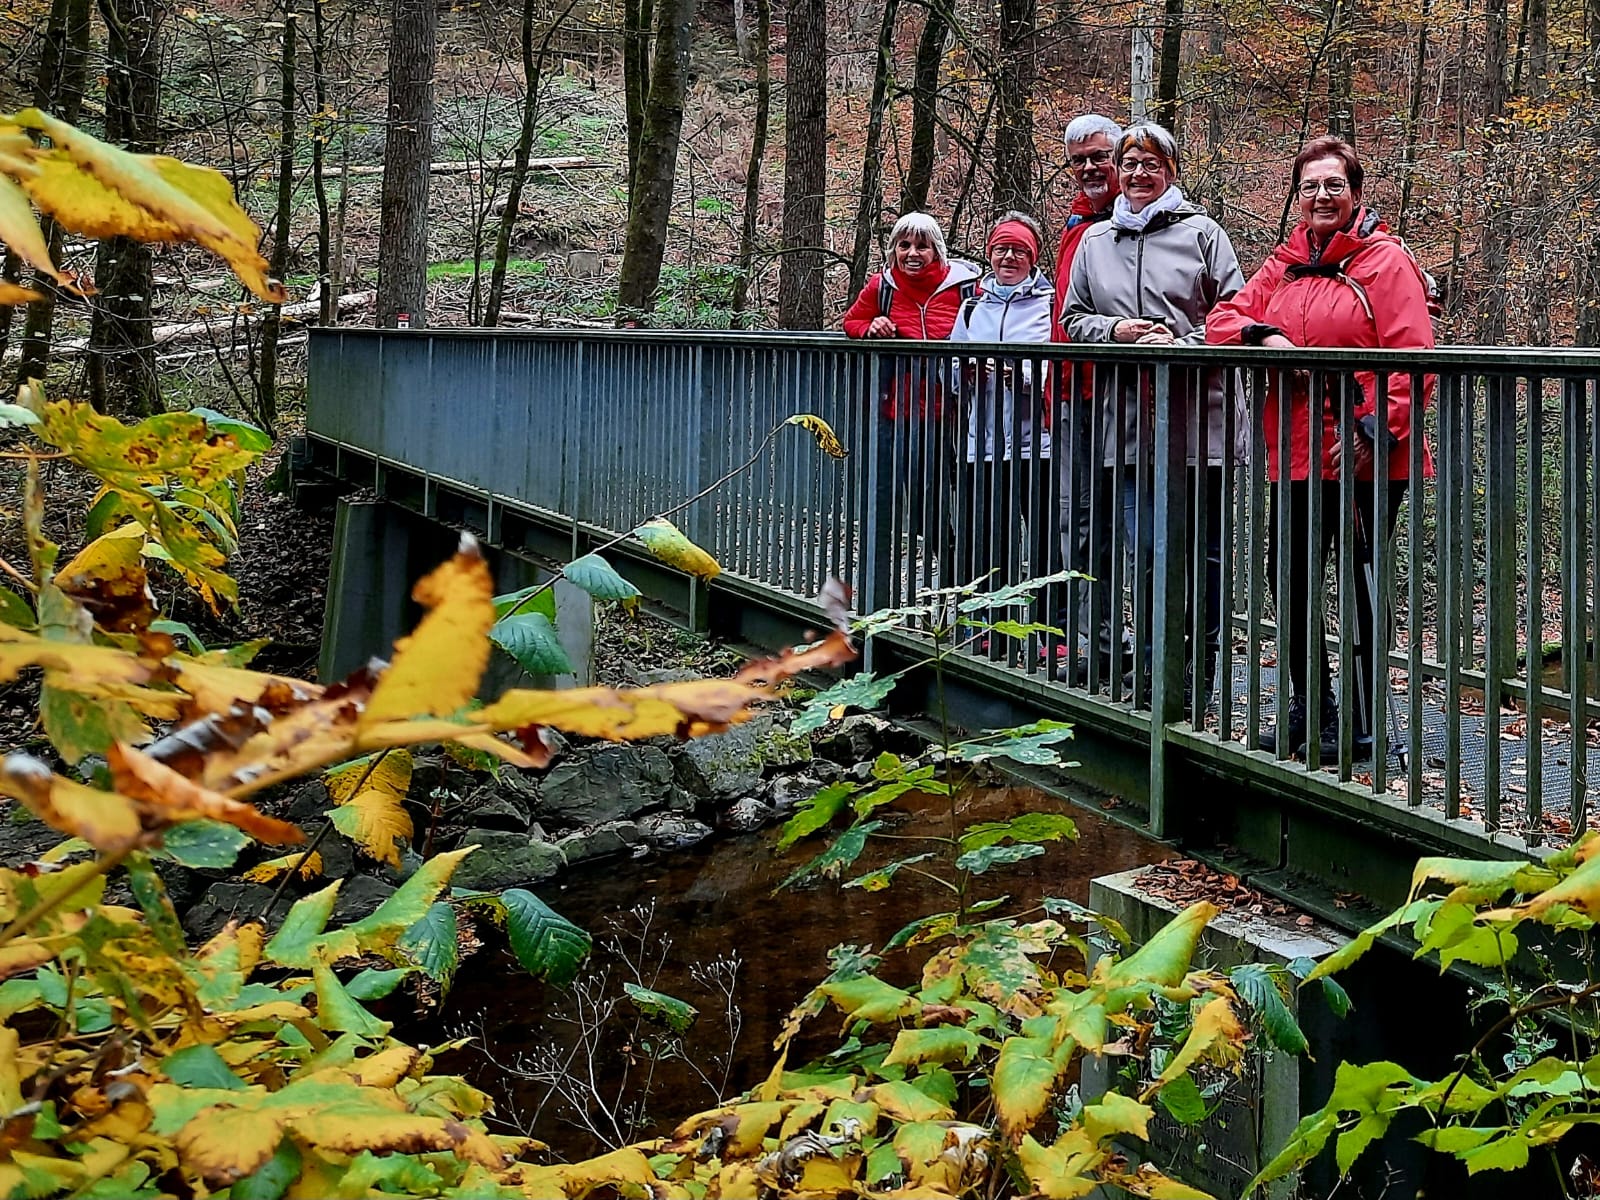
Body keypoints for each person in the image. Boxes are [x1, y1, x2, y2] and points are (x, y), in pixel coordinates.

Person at [1206, 135, 1435, 761]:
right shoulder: (1284, 263)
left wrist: (1374, 434)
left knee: (1359, 584)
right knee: (1293, 577)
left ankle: (1362, 724)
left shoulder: (1386, 263)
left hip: (1363, 457)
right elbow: (1221, 320)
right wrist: (1265, 335)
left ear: (1355, 192)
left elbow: (1414, 358)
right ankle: (1312, 708)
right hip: (1295, 453)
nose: (1322, 196)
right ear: (1298, 198)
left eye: (1334, 184)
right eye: (1310, 186)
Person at [1063, 122, 1246, 705]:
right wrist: (1117, 331)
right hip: (1131, 425)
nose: (1140, 172)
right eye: (1131, 161)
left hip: (1201, 422)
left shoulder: (1204, 234)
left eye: (1152, 162)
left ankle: (1199, 680)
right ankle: (1150, 673)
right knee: (1143, 550)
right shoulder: (1096, 243)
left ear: (1171, 168)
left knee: (1204, 555)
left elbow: (1235, 315)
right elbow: (1072, 320)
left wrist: (1182, 344)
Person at [842, 213, 981, 597]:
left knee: (971, 494)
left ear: (937, 250)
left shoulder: (966, 287)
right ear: (893, 251)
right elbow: (851, 323)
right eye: (904, 245)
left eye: (921, 245)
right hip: (904, 414)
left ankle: (980, 576)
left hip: (962, 412)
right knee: (922, 504)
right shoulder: (882, 286)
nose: (912, 253)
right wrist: (873, 327)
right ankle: (956, 571)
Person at [948, 212, 1053, 613]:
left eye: (1019, 250)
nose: (1009, 257)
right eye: (1001, 249)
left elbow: (1058, 367)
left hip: (1036, 444)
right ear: (989, 253)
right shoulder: (973, 308)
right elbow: (951, 367)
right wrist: (966, 371)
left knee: (1045, 540)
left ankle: (1049, 629)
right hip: (984, 442)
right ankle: (993, 626)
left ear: (1033, 256)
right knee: (988, 539)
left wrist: (1021, 376)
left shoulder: (1049, 304)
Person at [1052, 113, 1125, 682]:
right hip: (1075, 392)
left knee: (1139, 525)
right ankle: (1099, 644)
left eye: (1100, 155)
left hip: (1126, 395)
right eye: (1079, 159)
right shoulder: (1075, 225)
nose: (1091, 168)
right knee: (1080, 523)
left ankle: (1150, 652)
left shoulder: (1138, 227)